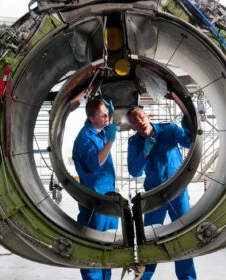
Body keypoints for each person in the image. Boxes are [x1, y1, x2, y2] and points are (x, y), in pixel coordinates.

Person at [126, 106, 197, 280]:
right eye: (134, 121)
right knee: (150, 240)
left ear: (148, 116)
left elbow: (189, 142)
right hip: (154, 196)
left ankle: (187, 277)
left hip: (177, 192)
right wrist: (145, 151)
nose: (139, 122)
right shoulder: (134, 142)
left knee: (183, 237)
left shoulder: (170, 130)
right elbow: (134, 171)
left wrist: (189, 124)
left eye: (141, 117)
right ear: (132, 127)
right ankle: (143, 277)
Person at [72, 97, 119, 280]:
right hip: (94, 200)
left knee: (108, 246)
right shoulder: (85, 138)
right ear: (91, 118)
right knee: (93, 247)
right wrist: (111, 142)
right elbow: (96, 163)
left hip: (107, 199)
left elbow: (109, 121)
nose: (107, 118)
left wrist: (110, 113)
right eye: (103, 115)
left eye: (107, 114)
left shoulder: (99, 132)